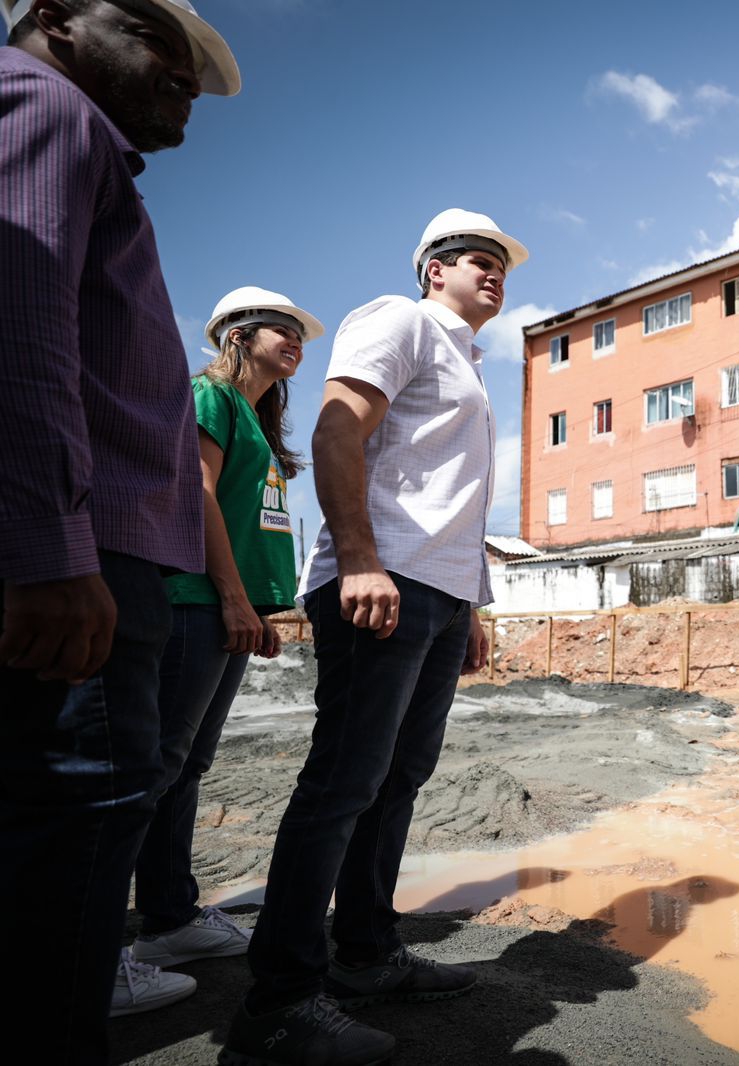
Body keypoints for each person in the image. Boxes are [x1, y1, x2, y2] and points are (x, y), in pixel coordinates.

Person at [223, 209, 529, 1066]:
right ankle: (278, 1005)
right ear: (434, 269)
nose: (494, 273)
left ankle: (363, 954)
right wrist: (359, 557)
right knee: (343, 783)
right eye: (477, 259)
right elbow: (336, 430)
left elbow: (451, 497)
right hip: (381, 579)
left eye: (502, 265)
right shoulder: (399, 321)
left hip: (437, 593)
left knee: (397, 779)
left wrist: (471, 605)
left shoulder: (467, 360)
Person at [0, 0, 239, 1059]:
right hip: (83, 554)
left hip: (100, 552)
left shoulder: (75, 139)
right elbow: (20, 322)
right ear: (55, 17)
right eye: (154, 38)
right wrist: (51, 549)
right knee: (80, 822)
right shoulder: (46, 109)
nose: (184, 78)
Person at [119, 289, 323, 1011]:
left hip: (227, 608)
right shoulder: (209, 396)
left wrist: (256, 607)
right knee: (154, 768)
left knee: (185, 766)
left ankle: (169, 920)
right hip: (195, 604)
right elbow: (196, 495)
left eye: (300, 332)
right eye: (281, 328)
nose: (295, 339)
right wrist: (232, 597)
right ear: (238, 335)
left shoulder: (255, 419)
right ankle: (90, 949)